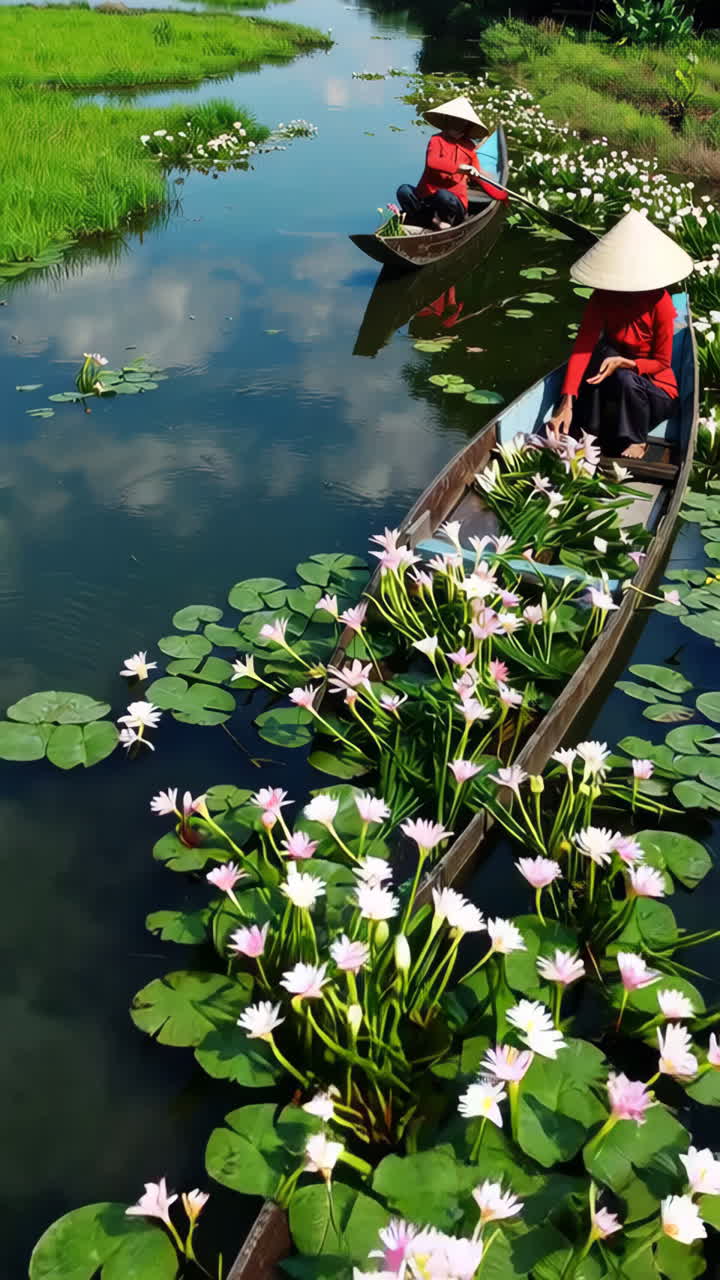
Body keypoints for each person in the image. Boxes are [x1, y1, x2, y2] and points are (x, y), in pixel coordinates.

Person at [546, 209, 693, 458]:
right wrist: (567, 399)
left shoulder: (660, 301)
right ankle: (587, 431)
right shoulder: (602, 297)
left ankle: (636, 440)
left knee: (624, 377)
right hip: (616, 384)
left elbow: (662, 363)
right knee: (598, 357)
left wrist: (627, 363)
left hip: (655, 391)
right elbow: (583, 346)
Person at [396, 96, 489, 231]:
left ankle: (446, 223)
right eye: (455, 125)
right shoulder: (436, 140)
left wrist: (474, 172)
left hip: (453, 205)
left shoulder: (469, 146)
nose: (459, 130)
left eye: (463, 126)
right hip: (428, 200)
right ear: (447, 123)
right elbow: (432, 162)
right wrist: (459, 168)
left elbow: (475, 172)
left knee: (443, 196)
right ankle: (430, 220)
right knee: (404, 190)